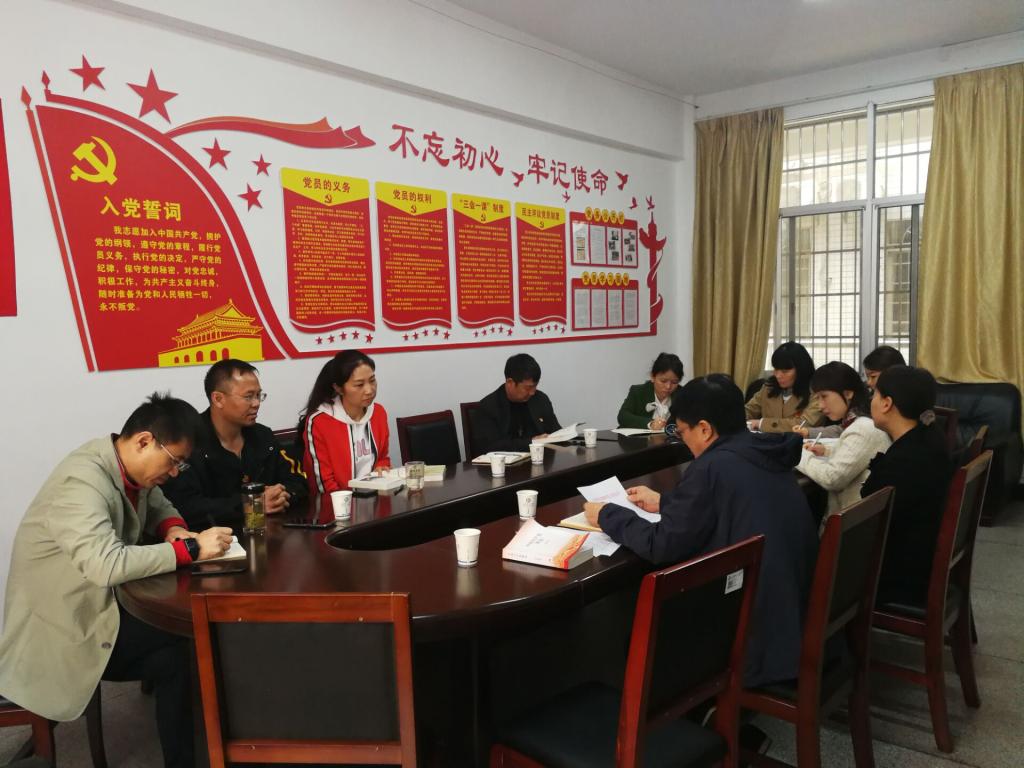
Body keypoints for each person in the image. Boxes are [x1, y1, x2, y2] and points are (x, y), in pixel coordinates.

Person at [0, 394, 233, 768]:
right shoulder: (81, 483)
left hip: (99, 604)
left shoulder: (124, 466)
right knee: (192, 638)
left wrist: (173, 528)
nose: (175, 473)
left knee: (178, 654)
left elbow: (157, 503)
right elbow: (106, 564)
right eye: (174, 462)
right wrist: (190, 548)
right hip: (63, 625)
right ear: (144, 441)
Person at [584, 374, 818, 687]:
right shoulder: (762, 451)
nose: (684, 441)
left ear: (705, 429)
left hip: (753, 630)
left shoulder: (711, 466)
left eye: (683, 432)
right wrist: (667, 502)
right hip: (792, 615)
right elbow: (727, 501)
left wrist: (607, 515)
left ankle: (664, 707)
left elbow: (662, 544)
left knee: (628, 620)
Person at [162, 359, 307, 531]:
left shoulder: (263, 436)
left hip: (269, 535)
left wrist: (281, 495)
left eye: (258, 395)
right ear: (218, 399)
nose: (256, 403)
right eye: (248, 396)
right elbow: (185, 507)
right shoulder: (188, 444)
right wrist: (250, 504)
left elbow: (298, 482)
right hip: (213, 539)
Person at [862, 365, 954, 605]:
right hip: (920, 558)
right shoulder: (929, 437)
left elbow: (871, 521)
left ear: (887, 403)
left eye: (875, 394)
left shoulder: (905, 461)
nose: (871, 400)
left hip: (899, 576)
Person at [298, 350, 390, 517]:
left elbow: (383, 457)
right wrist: (348, 510)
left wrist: (382, 468)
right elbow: (323, 483)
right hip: (337, 512)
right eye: (359, 385)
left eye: (372, 380)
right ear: (339, 388)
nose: (369, 390)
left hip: (375, 505)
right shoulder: (320, 421)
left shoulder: (378, 413)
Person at [796, 362, 891, 519]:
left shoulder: (863, 427)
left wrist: (798, 453)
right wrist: (827, 451)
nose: (820, 406)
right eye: (817, 398)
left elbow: (832, 478)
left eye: (824, 396)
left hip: (851, 524)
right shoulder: (859, 422)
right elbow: (860, 454)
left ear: (848, 393)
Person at [474, 353, 562, 453]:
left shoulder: (540, 399)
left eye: (535, 386)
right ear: (510, 382)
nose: (532, 392)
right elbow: (490, 447)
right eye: (528, 388)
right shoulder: (488, 407)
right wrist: (531, 442)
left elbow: (555, 431)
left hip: (541, 459)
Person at [745, 341, 824, 433]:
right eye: (776, 369)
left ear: (801, 370)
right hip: (766, 440)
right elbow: (749, 410)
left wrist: (761, 424)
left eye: (784, 371)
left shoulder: (817, 392)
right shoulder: (769, 387)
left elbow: (805, 424)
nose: (778, 375)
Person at [617, 352, 684, 430]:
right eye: (663, 381)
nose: (668, 386)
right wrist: (650, 424)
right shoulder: (638, 391)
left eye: (674, 382)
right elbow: (623, 416)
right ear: (652, 377)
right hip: (638, 437)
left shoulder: (683, 394)